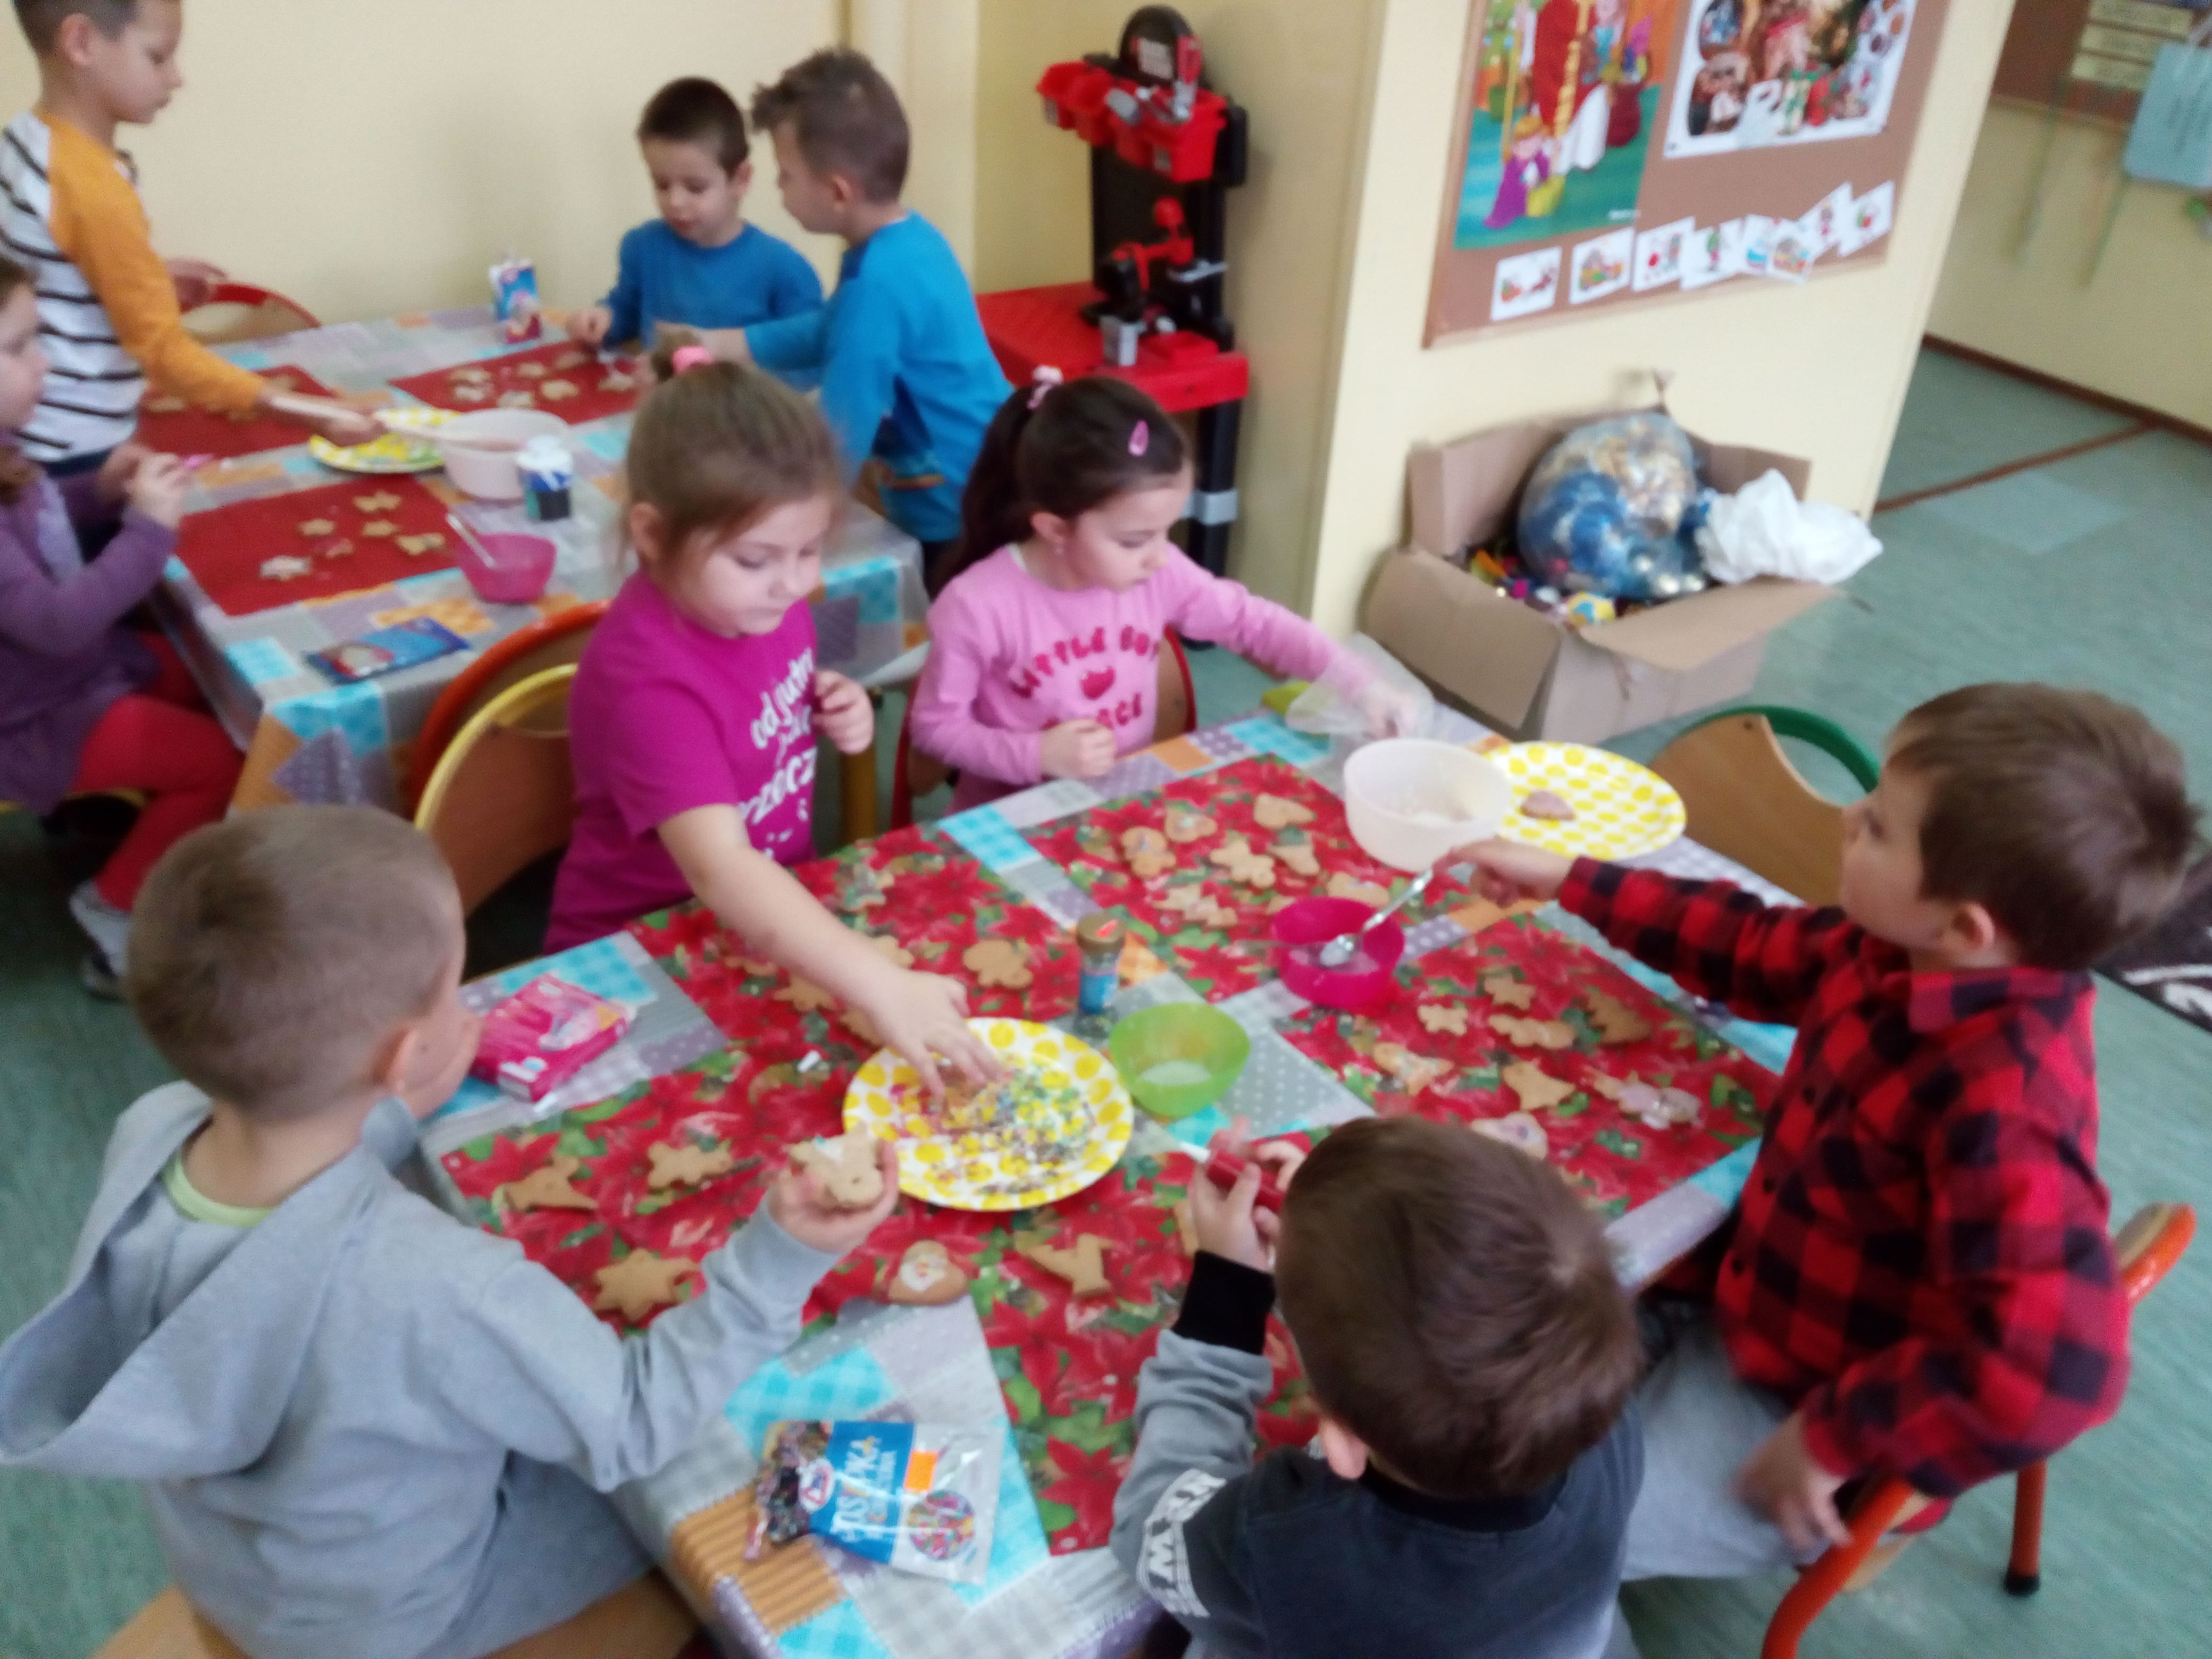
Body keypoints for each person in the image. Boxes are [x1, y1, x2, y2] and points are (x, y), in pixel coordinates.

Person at [0, 807, 902, 1659]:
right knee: (712, 1479)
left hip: (245, 1566)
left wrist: (386, 1109)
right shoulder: (441, 1287)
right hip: (399, 1621)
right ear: (403, 1053)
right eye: (453, 996)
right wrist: (782, 1255)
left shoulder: (152, 1124)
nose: (468, 1012)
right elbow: (632, 1425)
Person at [1454, 684, 2199, 1595]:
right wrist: (1573, 877)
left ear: (1966, 926)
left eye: (1879, 824)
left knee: (1538, 1545)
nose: (1850, 816)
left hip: (1813, 1409)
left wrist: (1837, 1436)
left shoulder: (2006, 1108)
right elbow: (1753, 945)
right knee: (1483, 1385)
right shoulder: (1894, 945)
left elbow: (2055, 1366)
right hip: (1741, 1289)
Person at [546, 342, 994, 1094]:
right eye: (755, 560)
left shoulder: (758, 610)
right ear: (652, 535)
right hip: (642, 953)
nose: (792, 584)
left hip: (760, 918)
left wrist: (822, 699)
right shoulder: (648, 685)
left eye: (809, 550)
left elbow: (749, 699)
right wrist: (881, 984)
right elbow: (719, 866)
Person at [1111, 1117, 1645, 1659]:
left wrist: (1227, 1296)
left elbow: (1149, 1528)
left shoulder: (1293, 1547)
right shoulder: (1588, 1392)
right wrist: (1331, 1249)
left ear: (1343, 1446)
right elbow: (1450, 1331)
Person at [909, 375, 1379, 811]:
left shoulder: (1157, 572)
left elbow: (1250, 621)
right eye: (1135, 540)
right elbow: (935, 728)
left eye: (1167, 530)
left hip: (1123, 800)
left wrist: (1357, 681)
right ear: (1055, 529)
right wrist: (1038, 754)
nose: (1159, 557)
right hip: (1014, 814)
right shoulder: (977, 605)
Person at [1, 0, 376, 474]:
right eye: (157, 56)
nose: (176, 78)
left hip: (24, 432)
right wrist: (308, 410)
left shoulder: (26, 139)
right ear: (81, 43)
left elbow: (44, 269)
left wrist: (147, 276)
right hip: (74, 447)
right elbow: (164, 355)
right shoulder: (91, 187)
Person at [0, 252, 237, 995]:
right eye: (18, 347)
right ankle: (116, 910)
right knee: (223, 764)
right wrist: (147, 529)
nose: (43, 363)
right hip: (31, 719)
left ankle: (154, 829)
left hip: (66, 678)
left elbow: (35, 522)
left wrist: (97, 491)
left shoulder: (6, 450)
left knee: (214, 680)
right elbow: (57, 624)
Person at [690, 48, 1010, 581]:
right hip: (985, 468)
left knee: (939, 612)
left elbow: (840, 432)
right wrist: (727, 343)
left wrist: (790, 536)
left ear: (838, 192)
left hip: (952, 505)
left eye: (786, 175)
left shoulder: (875, 286)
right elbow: (830, 327)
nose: (779, 188)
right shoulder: (911, 240)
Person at [566, 77, 822, 356]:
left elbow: (809, 362)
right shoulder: (642, 247)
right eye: (662, 185)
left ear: (740, 179)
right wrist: (603, 319)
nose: (675, 202)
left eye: (695, 188)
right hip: (656, 385)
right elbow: (627, 311)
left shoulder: (785, 271)